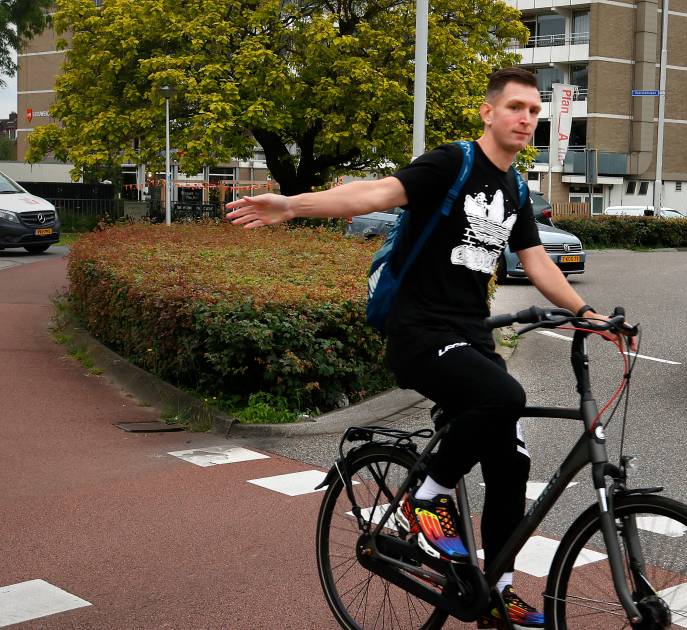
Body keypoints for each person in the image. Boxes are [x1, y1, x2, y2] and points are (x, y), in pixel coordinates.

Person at [225, 67, 630, 629]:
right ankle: (429, 495)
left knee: (512, 461)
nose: (526, 119)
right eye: (516, 107)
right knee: (505, 397)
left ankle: (497, 591)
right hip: (419, 333)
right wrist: (292, 205)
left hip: (470, 334)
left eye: (535, 111)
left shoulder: (515, 187)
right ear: (488, 113)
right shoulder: (452, 164)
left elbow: (535, 261)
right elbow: (376, 193)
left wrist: (586, 314)